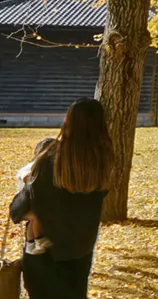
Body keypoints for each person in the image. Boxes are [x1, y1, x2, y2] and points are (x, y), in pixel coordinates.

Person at [9, 98, 113, 299]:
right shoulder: (103, 165)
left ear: (68, 123)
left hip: (45, 256)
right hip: (80, 252)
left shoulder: (49, 163)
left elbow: (18, 210)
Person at [14, 138, 56, 257]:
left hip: (28, 204)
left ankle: (31, 244)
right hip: (25, 205)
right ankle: (37, 240)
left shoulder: (43, 168)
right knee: (36, 217)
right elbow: (24, 175)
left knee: (34, 219)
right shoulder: (34, 167)